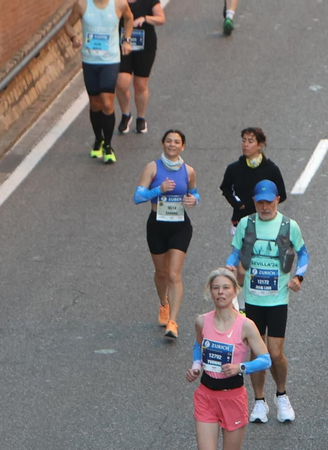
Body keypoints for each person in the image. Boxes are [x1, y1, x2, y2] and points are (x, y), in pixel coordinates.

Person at [189, 269, 273, 450]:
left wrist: (241, 367)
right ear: (210, 292)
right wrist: (196, 365)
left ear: (235, 291)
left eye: (226, 287)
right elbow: (198, 346)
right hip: (206, 396)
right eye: (216, 288)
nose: (221, 292)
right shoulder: (202, 321)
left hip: (233, 398)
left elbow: (266, 359)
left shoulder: (245, 325)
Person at [229, 180, 310, 423]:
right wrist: (230, 266)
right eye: (260, 202)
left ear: (277, 200)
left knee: (275, 353)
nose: (265, 207)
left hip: (277, 299)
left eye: (269, 202)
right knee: (257, 353)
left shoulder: (289, 226)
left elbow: (303, 254)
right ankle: (259, 401)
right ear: (254, 202)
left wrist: (298, 277)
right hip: (252, 299)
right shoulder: (246, 224)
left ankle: (281, 395)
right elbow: (235, 252)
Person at [135, 129, 199, 340]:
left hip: (180, 226)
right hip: (157, 225)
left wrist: (194, 200)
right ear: (163, 144)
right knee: (161, 273)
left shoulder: (188, 170)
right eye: (169, 141)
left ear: (183, 146)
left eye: (177, 142)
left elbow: (194, 192)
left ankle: (173, 321)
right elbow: (138, 197)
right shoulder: (152, 168)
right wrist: (158, 190)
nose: (172, 145)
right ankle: (164, 303)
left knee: (174, 274)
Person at [79, 0, 132, 164]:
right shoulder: (82, 4)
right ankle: (98, 139)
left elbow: (129, 18)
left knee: (107, 103)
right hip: (90, 61)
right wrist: (73, 37)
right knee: (95, 103)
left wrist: (126, 40)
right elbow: (68, 25)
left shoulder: (119, 4)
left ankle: (108, 146)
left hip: (110, 61)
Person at [221, 128, 288, 236]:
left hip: (266, 222)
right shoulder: (233, 169)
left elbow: (281, 195)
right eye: (244, 140)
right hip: (241, 220)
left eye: (250, 141)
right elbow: (225, 188)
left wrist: (266, 206)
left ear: (260, 144)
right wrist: (237, 204)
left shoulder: (271, 169)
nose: (245, 145)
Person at [115, 0, 162, 136]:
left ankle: (141, 118)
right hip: (123, 45)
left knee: (140, 85)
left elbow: (161, 18)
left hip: (145, 47)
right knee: (121, 83)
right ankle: (125, 114)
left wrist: (145, 19)